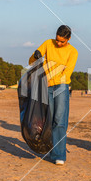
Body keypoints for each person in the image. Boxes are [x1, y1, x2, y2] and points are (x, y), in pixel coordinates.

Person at [28, 25, 78, 165]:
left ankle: (59, 155)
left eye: (62, 41)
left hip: (61, 86)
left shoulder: (73, 52)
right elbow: (31, 62)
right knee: (48, 119)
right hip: (46, 86)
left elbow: (66, 73)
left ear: (68, 39)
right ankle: (50, 148)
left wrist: (51, 81)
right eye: (57, 40)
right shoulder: (48, 43)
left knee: (59, 120)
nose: (59, 43)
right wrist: (36, 54)